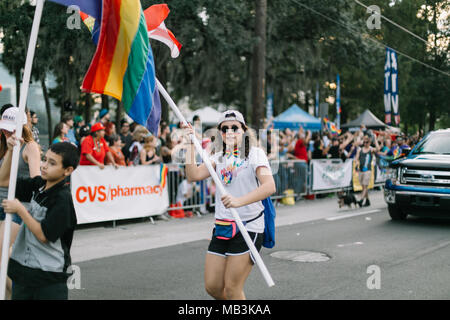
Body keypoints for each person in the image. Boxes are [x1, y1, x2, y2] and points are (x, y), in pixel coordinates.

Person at [183, 110, 276, 300]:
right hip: (223, 226)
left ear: (244, 130)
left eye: (235, 127)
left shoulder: (255, 154)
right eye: (225, 129)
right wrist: (190, 145)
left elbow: (269, 186)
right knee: (213, 287)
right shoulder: (218, 157)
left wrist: (238, 201)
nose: (230, 132)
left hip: (249, 226)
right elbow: (193, 175)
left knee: (233, 288)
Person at [0, 141, 80, 300]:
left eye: (52, 163)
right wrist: (10, 151)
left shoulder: (63, 199)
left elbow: (44, 235)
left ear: (67, 170)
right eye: (44, 159)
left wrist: (21, 210)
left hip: (48, 279)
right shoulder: (39, 185)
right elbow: (3, 181)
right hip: (24, 274)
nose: (44, 165)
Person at [0, 107, 41, 298]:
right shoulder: (2, 144)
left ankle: (21, 295)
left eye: (11, 128)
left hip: (16, 207)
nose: (7, 132)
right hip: (2, 204)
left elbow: (36, 181)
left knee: (3, 261)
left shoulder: (30, 146)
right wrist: (9, 150)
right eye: (5, 128)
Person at [355, 134, 380, 207]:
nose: (365, 143)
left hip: (367, 170)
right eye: (364, 142)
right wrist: (356, 164)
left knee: (365, 186)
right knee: (363, 187)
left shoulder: (371, 149)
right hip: (361, 170)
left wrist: (375, 139)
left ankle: (361, 200)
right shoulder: (360, 149)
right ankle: (368, 201)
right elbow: (356, 158)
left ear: (369, 143)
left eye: (367, 142)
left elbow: (378, 149)